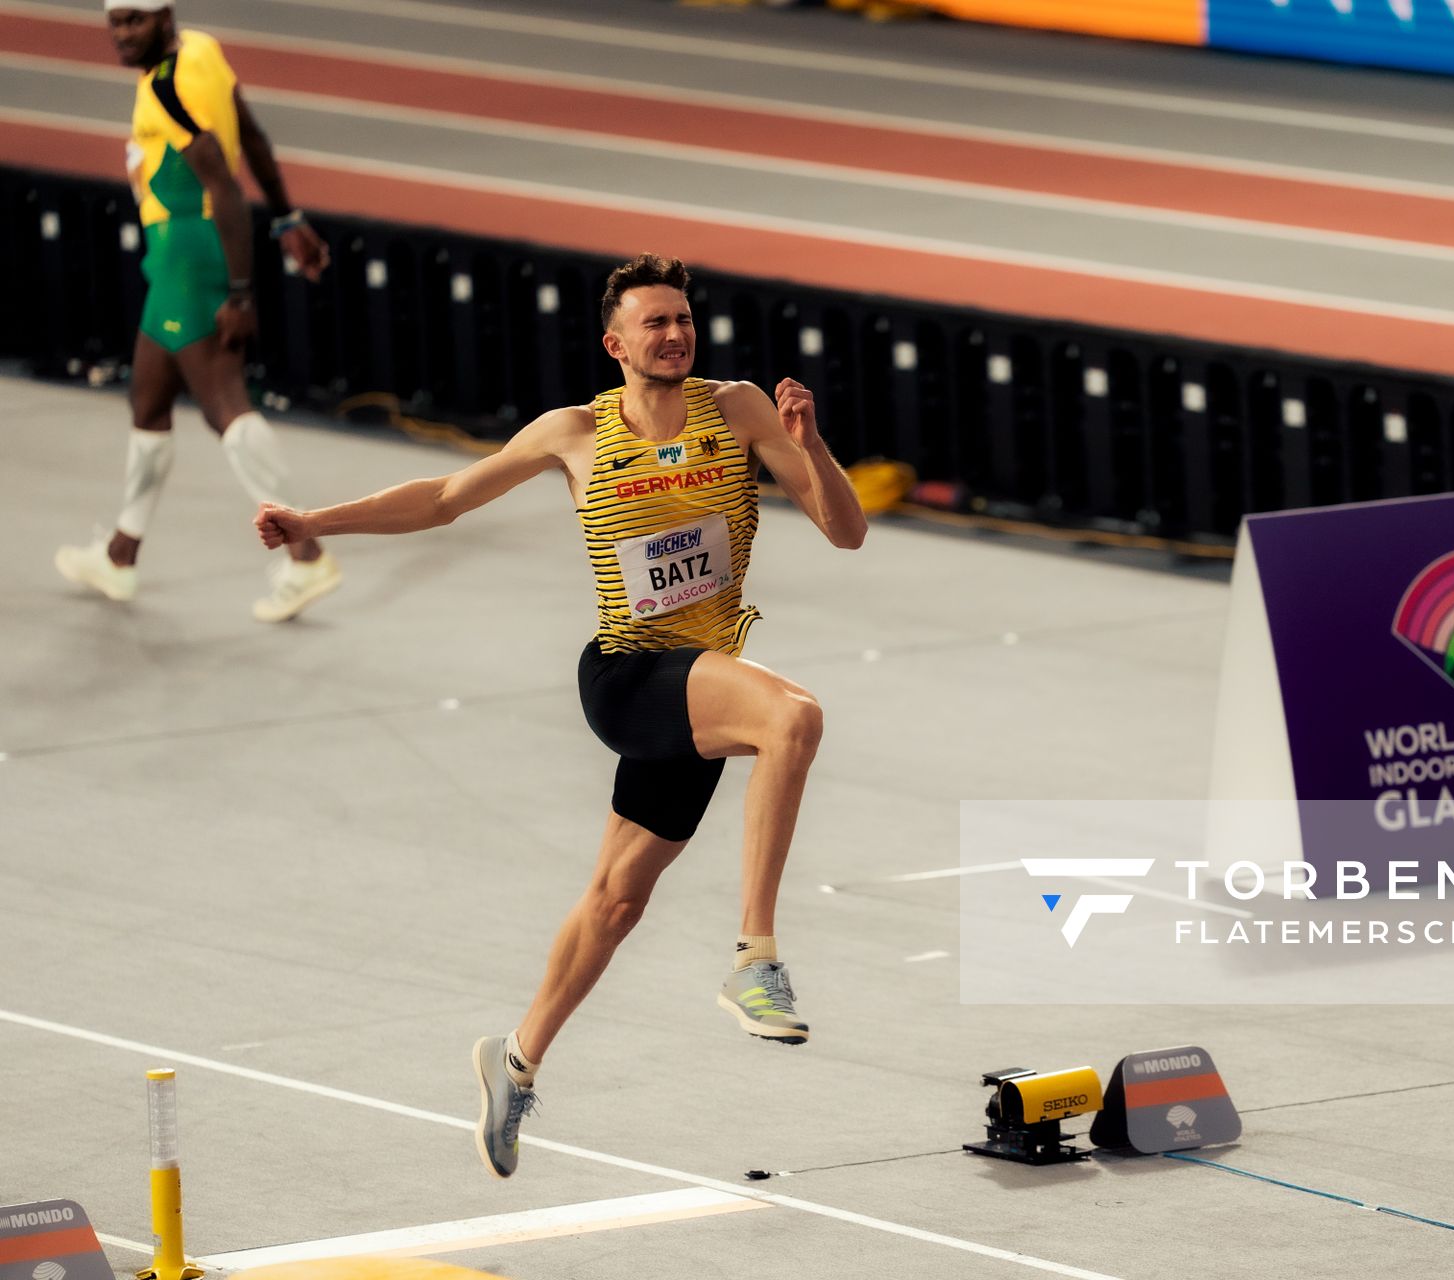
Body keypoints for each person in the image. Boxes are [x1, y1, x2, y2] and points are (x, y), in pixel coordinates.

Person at [254, 255, 867, 1179]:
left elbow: (845, 529)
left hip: (698, 686)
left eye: (683, 320)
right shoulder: (574, 433)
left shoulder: (737, 410)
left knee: (618, 900)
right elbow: (443, 500)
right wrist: (315, 522)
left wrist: (809, 442)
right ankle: (755, 955)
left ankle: (516, 1060)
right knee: (794, 718)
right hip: (628, 677)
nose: (674, 334)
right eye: (654, 323)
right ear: (616, 343)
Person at [57, 1, 340, 623]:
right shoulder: (203, 52)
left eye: (134, 21)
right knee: (149, 403)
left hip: (192, 256)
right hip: (178, 260)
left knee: (223, 406)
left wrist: (241, 293)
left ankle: (306, 552)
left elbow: (224, 187)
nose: (122, 35)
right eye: (115, 23)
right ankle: (119, 555)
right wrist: (289, 216)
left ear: (164, 17)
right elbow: (256, 139)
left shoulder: (167, 87)